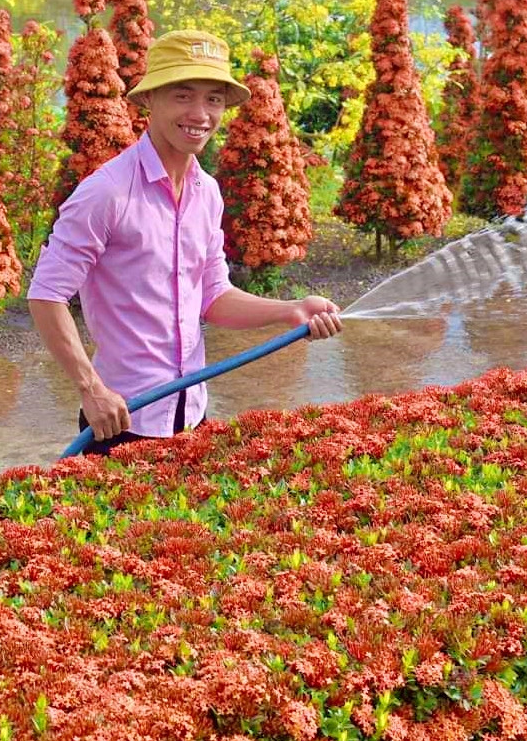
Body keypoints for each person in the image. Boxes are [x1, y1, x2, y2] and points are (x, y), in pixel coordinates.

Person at [28, 29, 342, 456]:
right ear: (148, 100)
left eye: (214, 99)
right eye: (183, 95)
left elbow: (212, 297)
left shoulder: (206, 192)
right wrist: (91, 388)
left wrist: (291, 311)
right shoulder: (107, 193)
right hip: (121, 420)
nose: (200, 113)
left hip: (192, 415)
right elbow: (46, 295)